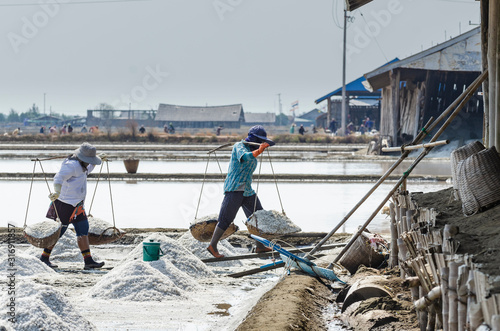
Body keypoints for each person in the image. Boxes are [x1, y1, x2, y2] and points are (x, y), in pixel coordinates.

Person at [207, 125, 275, 258]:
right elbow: (246, 157)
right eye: (259, 141)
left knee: (257, 216)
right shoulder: (239, 146)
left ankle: (260, 246)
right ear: (253, 139)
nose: (260, 144)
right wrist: (259, 151)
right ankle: (212, 246)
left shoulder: (252, 148)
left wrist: (260, 149)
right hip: (235, 188)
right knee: (226, 219)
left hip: (247, 190)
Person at [41, 142, 107, 270]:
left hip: (78, 205)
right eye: (89, 160)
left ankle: (88, 261)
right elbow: (58, 177)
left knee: (83, 229)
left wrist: (98, 158)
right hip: (65, 204)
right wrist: (57, 191)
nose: (89, 163)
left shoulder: (84, 165)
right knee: (58, 232)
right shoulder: (71, 165)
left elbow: (90, 167)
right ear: (82, 158)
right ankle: (44, 258)